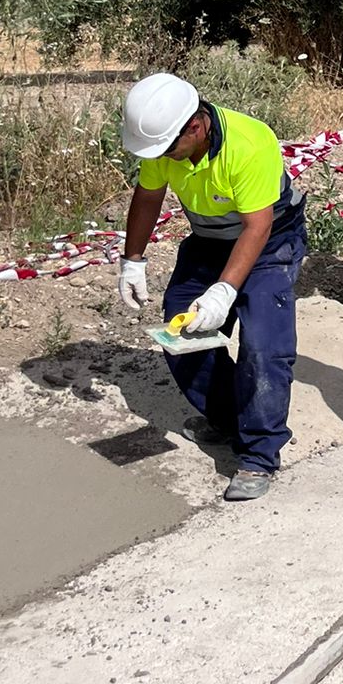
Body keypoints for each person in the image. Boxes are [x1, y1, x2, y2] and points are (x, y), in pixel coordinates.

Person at [117, 73, 308, 502]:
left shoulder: (249, 143)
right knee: (180, 330)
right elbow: (148, 196)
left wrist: (223, 292)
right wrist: (132, 260)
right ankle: (228, 416)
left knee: (264, 344)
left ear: (197, 128)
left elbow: (257, 228)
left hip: (271, 239)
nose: (163, 157)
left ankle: (259, 454)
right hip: (208, 240)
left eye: (168, 149)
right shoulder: (167, 140)